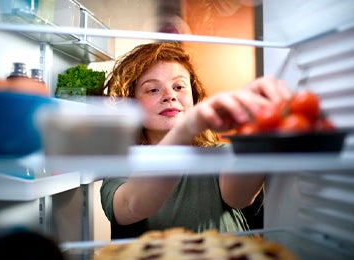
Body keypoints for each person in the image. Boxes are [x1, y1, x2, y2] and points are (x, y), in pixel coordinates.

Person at [100, 42, 292, 239]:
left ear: (194, 97)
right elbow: (132, 205)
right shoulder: (121, 164)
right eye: (152, 90)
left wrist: (258, 123)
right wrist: (188, 126)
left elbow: (238, 197)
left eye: (179, 86)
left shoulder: (217, 153)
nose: (170, 96)